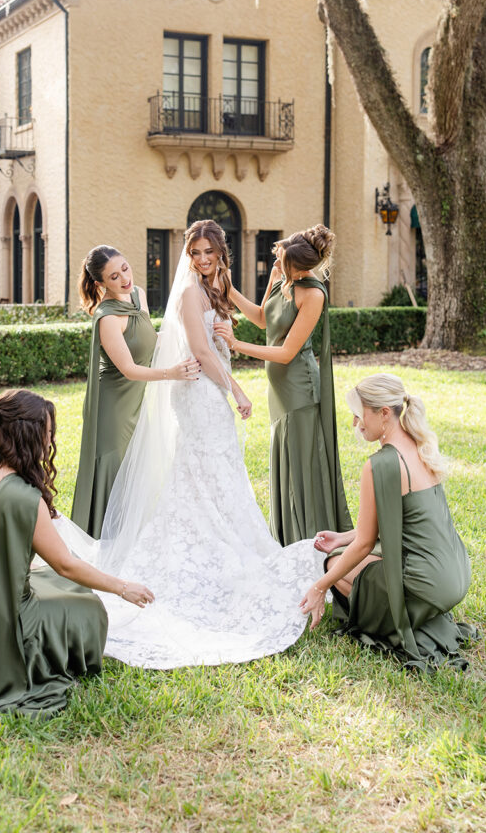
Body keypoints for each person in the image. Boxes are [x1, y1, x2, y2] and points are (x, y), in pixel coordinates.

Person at [45, 220, 324, 669]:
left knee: (213, 472)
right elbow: (201, 348)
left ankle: (226, 545)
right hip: (201, 391)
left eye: (209, 250)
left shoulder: (216, 286)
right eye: (195, 251)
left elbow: (251, 318)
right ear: (188, 255)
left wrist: (270, 284)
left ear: (220, 251)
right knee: (205, 468)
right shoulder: (192, 292)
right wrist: (236, 390)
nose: (202, 258)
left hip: (209, 389)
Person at [0, 389, 154, 717]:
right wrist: (123, 588)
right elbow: (66, 565)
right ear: (30, 435)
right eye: (47, 432)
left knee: (53, 582)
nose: (50, 440)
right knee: (86, 606)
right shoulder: (23, 496)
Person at [299, 374, 477, 671]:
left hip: (429, 583)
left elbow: (365, 543)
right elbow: (396, 522)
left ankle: (402, 618)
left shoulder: (379, 465)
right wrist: (342, 538)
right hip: (455, 575)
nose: (356, 423)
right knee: (353, 552)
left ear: (383, 413)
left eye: (360, 415)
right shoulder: (420, 446)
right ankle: (420, 613)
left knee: (334, 565)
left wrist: (320, 586)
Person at [214, 225, 352, 544]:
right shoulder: (282, 278)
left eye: (282, 259)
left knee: (303, 467)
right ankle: (288, 537)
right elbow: (263, 318)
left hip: (301, 390)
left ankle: (311, 539)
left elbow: (288, 353)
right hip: (279, 392)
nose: (276, 262)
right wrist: (228, 288)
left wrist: (236, 345)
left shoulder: (313, 293)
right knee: (287, 462)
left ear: (300, 265)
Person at [72, 244, 199, 535]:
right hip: (113, 408)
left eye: (125, 268)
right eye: (113, 276)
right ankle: (102, 541)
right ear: (100, 283)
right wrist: (173, 373)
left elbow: (146, 340)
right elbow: (129, 369)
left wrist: (191, 335)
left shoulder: (138, 295)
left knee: (135, 473)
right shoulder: (107, 318)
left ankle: (129, 539)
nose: (124, 279)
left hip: (136, 404)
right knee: (115, 471)